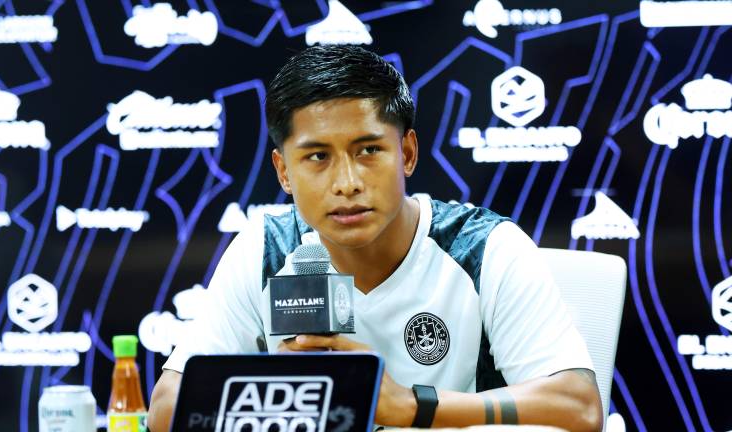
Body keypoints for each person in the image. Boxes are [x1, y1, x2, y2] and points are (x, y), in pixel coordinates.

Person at [148, 45, 603, 431]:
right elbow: (165, 410)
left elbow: (579, 407)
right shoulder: (267, 249)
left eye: (368, 150)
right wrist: (279, 390)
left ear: (407, 153)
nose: (347, 183)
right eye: (318, 157)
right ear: (284, 171)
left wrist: (410, 406)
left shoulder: (485, 248)